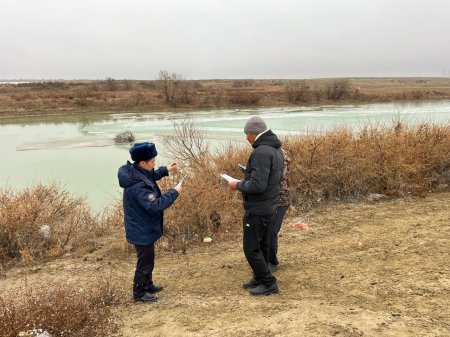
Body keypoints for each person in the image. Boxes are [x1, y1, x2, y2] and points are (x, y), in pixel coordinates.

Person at [118, 142, 182, 303]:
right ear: (142, 163)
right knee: (144, 262)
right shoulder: (137, 185)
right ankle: (139, 292)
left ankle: (147, 284)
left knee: (148, 259)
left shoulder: (136, 172)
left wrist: (165, 170)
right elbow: (155, 205)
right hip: (141, 229)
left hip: (143, 226)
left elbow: (150, 176)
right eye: (152, 161)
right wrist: (174, 192)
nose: (154, 164)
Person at [228, 116, 284, 296]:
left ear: (254, 134)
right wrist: (249, 173)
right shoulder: (276, 150)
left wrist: (236, 184)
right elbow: (271, 178)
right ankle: (259, 277)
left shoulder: (260, 152)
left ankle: (269, 283)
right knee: (263, 245)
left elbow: (258, 185)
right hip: (269, 206)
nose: (246, 139)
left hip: (258, 208)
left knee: (251, 248)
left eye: (247, 135)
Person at [268, 148, 291, 273]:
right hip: (271, 200)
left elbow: (278, 176)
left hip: (280, 201)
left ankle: (272, 262)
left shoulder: (281, 156)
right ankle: (266, 259)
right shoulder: (273, 154)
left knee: (271, 231)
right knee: (266, 230)